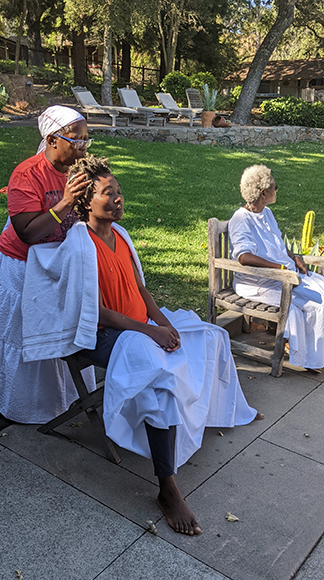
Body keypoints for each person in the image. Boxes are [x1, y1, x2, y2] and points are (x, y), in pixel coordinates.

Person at [63, 155, 263, 536]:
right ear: (87, 200)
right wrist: (148, 331)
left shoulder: (120, 235)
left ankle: (228, 409)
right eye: (109, 193)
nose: (119, 198)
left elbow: (140, 289)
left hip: (140, 324)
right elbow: (94, 311)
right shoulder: (79, 244)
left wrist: (163, 322)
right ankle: (167, 487)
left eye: (120, 191)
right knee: (162, 380)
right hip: (107, 334)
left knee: (211, 335)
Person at [0, 105, 94, 423]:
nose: (83, 146)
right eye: (77, 139)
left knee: (57, 330)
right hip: (22, 265)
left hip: (58, 261)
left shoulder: (78, 169)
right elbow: (28, 233)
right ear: (51, 139)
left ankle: (63, 397)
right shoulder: (26, 175)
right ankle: (17, 403)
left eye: (87, 139)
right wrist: (66, 202)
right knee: (23, 332)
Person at [229, 164, 324, 371]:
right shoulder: (240, 219)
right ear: (263, 192)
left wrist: (294, 257)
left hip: (284, 275)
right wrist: (280, 267)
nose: (276, 190)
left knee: (322, 290)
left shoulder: (267, 213)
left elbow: (277, 246)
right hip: (259, 282)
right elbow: (244, 257)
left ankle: (316, 351)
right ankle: (312, 358)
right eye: (274, 186)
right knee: (316, 305)